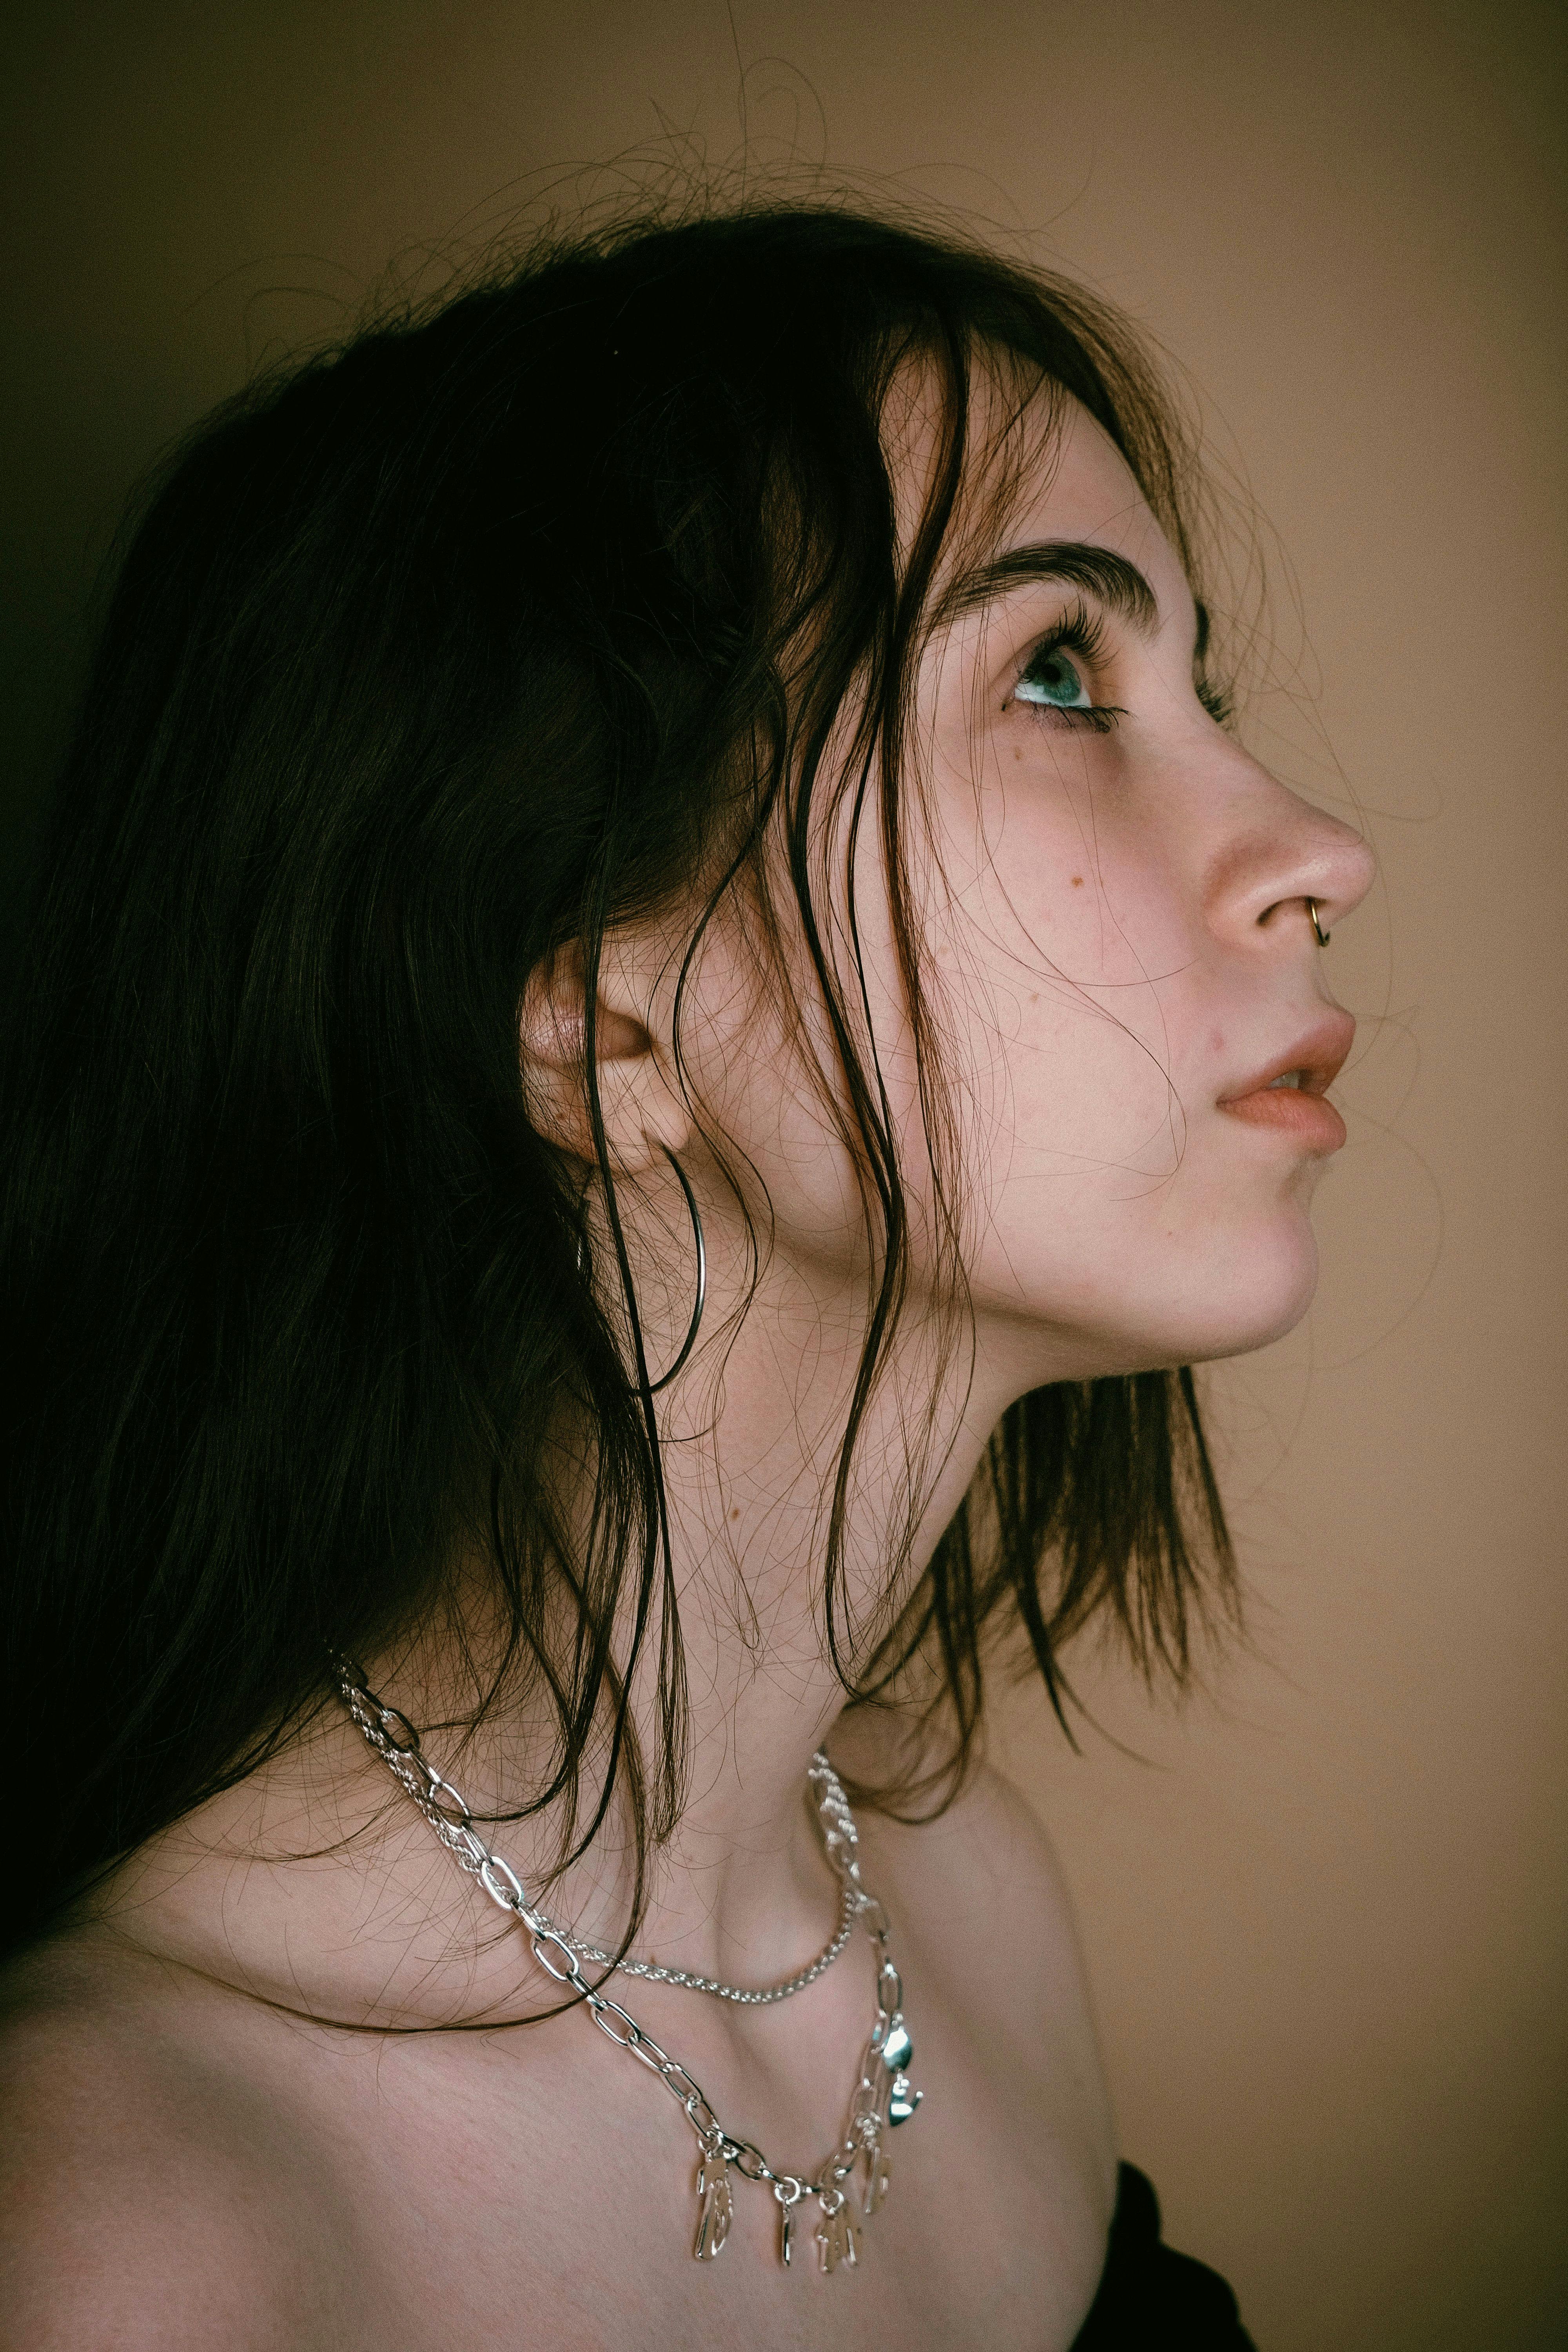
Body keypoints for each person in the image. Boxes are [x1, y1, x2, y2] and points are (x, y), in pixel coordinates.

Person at [0, 202, 1372, 2347]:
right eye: (1055, 675)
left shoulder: (958, 1902)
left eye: (1199, 683)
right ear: (602, 1024)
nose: (1323, 850)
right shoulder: (125, 2230)